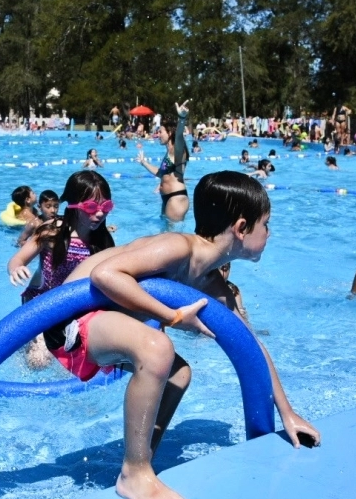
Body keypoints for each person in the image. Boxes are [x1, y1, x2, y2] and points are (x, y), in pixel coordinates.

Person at [49, 171, 319, 499]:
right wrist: (172, 316)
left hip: (100, 323)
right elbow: (106, 275)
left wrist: (287, 412)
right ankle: (135, 473)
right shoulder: (176, 246)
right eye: (266, 224)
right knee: (157, 347)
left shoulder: (211, 282)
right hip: (67, 322)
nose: (270, 233)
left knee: (179, 374)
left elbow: (250, 346)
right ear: (242, 228)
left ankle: (139, 459)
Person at [7, 172, 116, 369]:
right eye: (91, 206)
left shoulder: (103, 241)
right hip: (42, 303)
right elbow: (18, 259)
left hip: (75, 307)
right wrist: (17, 269)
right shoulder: (52, 231)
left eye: (105, 206)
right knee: (37, 363)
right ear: (72, 204)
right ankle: (29, 343)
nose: (100, 213)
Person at [137, 100, 192, 222]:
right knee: (165, 234)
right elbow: (162, 173)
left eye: (160, 132)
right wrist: (144, 163)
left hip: (176, 198)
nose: (158, 135)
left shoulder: (178, 151)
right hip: (167, 198)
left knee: (172, 238)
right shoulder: (169, 152)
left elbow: (178, 137)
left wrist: (181, 118)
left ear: (170, 132)